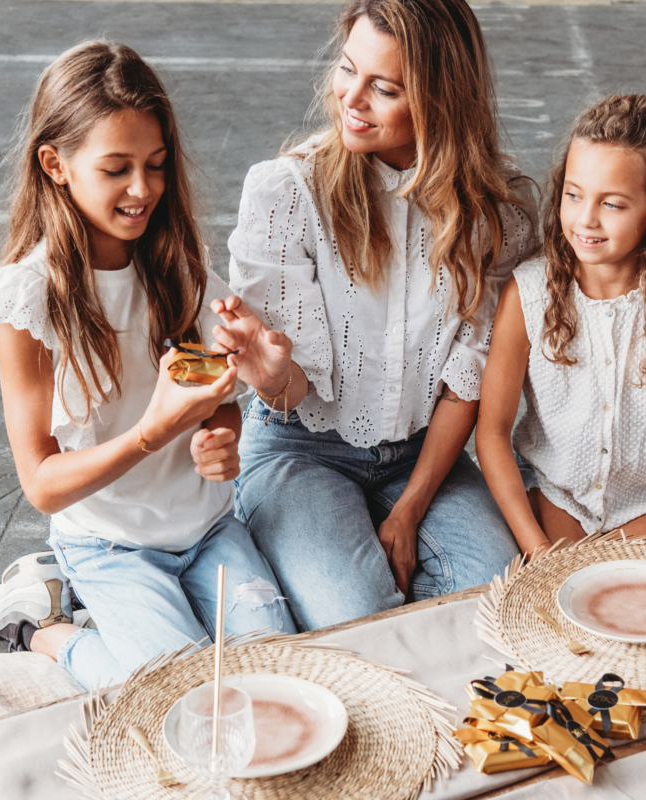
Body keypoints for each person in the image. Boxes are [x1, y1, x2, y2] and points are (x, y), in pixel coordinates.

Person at [210, 0, 537, 631]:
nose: (350, 99)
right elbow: (291, 392)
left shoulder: (496, 220)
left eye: (384, 88)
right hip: (299, 448)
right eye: (346, 69)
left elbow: (463, 384)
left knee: (489, 603)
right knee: (359, 620)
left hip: (425, 453)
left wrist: (409, 510)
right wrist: (271, 375)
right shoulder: (286, 194)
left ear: (441, 102)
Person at [0, 41, 295, 691]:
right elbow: (40, 481)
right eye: (116, 168)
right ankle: (51, 631)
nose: (143, 189)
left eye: (155, 165)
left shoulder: (181, 270)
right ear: (56, 165)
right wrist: (151, 433)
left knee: (276, 670)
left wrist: (223, 440)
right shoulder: (24, 300)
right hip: (108, 543)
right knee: (174, 693)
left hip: (209, 528)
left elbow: (221, 402)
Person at [476, 94, 646, 558]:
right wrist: (536, 546)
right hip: (556, 495)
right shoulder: (528, 294)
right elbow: (492, 432)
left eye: (612, 204)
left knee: (644, 592)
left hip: (643, 504)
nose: (585, 219)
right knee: (562, 587)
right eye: (573, 194)